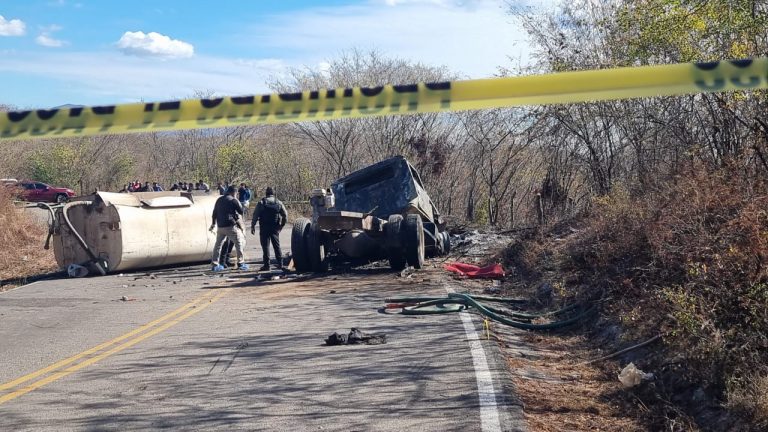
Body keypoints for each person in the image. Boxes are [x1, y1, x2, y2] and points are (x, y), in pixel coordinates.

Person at [210, 185, 247, 271]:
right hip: (230, 226)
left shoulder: (219, 200)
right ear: (234, 192)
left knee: (218, 245)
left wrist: (213, 224)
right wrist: (242, 206)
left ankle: (215, 264)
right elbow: (241, 212)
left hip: (220, 226)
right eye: (236, 193)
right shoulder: (233, 200)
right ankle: (241, 263)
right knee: (239, 243)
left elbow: (214, 213)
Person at [251, 186, 287, 271]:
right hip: (275, 227)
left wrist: (253, 225)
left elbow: (255, 215)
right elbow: (285, 215)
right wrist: (281, 225)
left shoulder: (262, 202)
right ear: (274, 193)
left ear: (266, 193)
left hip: (264, 227)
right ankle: (280, 264)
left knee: (265, 246)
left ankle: (267, 265)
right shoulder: (278, 202)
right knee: (276, 246)